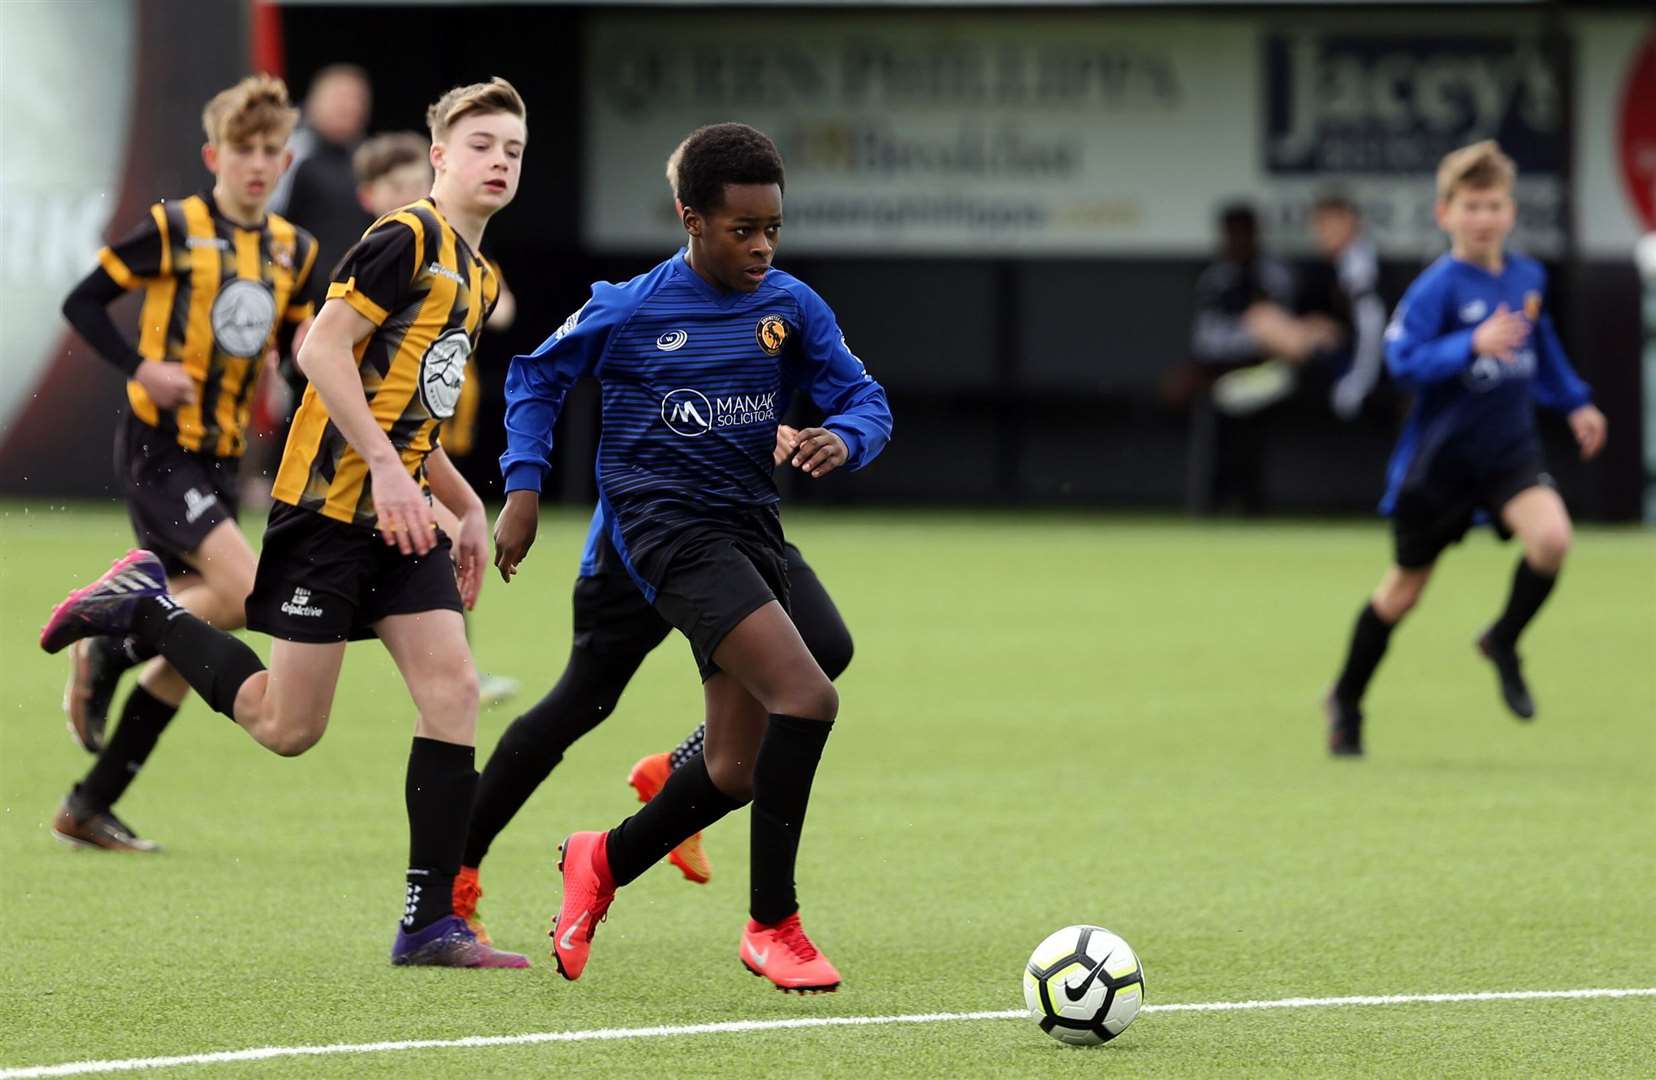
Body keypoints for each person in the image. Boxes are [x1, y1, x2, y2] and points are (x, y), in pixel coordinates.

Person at [40, 77, 534, 970]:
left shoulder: (478, 272)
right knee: (287, 728)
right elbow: (318, 350)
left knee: (453, 691)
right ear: (437, 157)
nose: (498, 161)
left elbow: (410, 415)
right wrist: (386, 469)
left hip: (401, 523)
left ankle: (429, 923)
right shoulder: (405, 236)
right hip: (327, 519)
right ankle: (145, 609)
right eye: (482, 145)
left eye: (513, 149)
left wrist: (463, 508)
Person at [493, 123, 891, 992]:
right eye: (742, 229)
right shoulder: (632, 306)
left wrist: (844, 439)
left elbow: (866, 399)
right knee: (808, 695)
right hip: (665, 529)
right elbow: (534, 376)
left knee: (734, 769)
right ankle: (772, 925)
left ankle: (600, 860)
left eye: (773, 229)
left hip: (748, 523)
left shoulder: (789, 307)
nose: (761, 247)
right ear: (691, 219)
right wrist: (523, 489)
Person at [52, 75, 319, 851]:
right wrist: (140, 367)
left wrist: (307, 379)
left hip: (220, 459)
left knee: (194, 638)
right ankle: (115, 634)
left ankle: (90, 804)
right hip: (159, 449)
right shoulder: (177, 229)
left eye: (272, 151)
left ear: (287, 158)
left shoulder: (292, 250)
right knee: (244, 592)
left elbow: (303, 350)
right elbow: (81, 301)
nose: (259, 164)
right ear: (215, 155)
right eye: (245, 150)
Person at [1323, 140, 1608, 756]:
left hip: (1509, 452)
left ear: (1510, 212)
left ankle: (1502, 639)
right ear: (1444, 213)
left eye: (1494, 205)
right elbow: (1401, 361)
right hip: (1439, 467)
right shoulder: (1437, 289)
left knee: (1553, 540)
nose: (1483, 217)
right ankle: (1346, 700)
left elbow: (1543, 348)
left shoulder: (1528, 277)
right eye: (1470, 205)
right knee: (1402, 593)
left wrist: (1576, 401)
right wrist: (1468, 345)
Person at [351, 131, 520, 707]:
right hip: (380, 451)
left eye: (412, 185)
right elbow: (324, 347)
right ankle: (452, 670)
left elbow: (503, 309)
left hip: (439, 433)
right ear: (369, 196)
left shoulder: (458, 257)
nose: (406, 195)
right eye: (392, 187)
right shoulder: (382, 258)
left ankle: (452, 673)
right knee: (444, 543)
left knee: (442, 546)